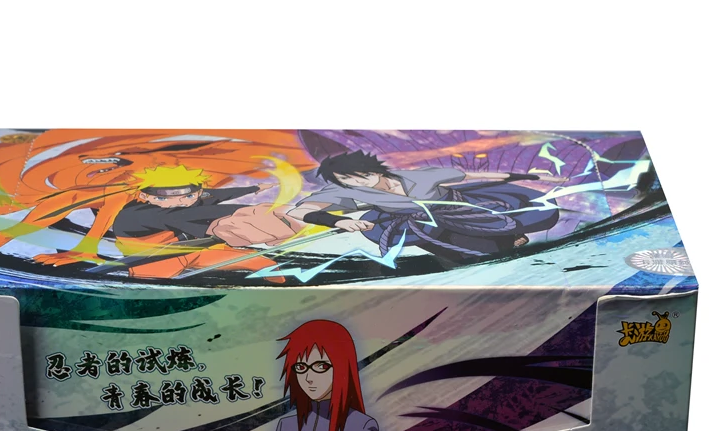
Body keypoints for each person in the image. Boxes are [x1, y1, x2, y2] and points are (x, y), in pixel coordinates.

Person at [286, 151, 561, 265]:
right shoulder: (346, 191)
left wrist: (528, 176)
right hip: (417, 224)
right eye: (347, 179)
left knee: (500, 239)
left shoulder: (421, 176)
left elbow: (474, 176)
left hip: (461, 209)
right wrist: (337, 221)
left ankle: (508, 237)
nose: (358, 181)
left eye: (361, 175)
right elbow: (297, 211)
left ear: (373, 169)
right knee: (466, 254)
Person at [109, 164, 298, 279]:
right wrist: (245, 212)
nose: (181, 201)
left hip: (195, 250)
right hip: (154, 259)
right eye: (164, 197)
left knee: (264, 264)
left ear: (197, 192)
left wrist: (255, 188)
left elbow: (218, 195)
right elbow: (186, 215)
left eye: (188, 195)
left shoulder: (194, 196)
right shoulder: (136, 214)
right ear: (145, 195)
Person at [260, 320, 403, 431]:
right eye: (301, 367)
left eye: (321, 366)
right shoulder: (286, 427)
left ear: (342, 366)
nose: (308, 378)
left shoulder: (357, 425)